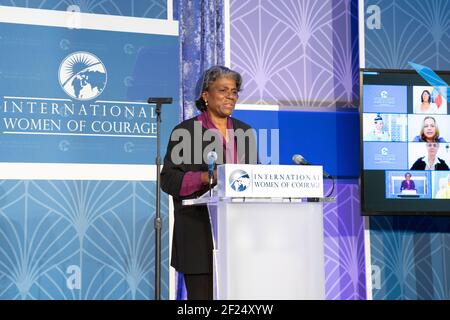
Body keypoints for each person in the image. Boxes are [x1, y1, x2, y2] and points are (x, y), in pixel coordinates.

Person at [160, 66, 257, 300]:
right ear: (205, 95)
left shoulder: (246, 132)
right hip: (198, 236)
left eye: (234, 92)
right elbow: (169, 180)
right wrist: (207, 177)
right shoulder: (186, 132)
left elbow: (254, 176)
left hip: (238, 236)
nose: (230, 96)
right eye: (223, 90)